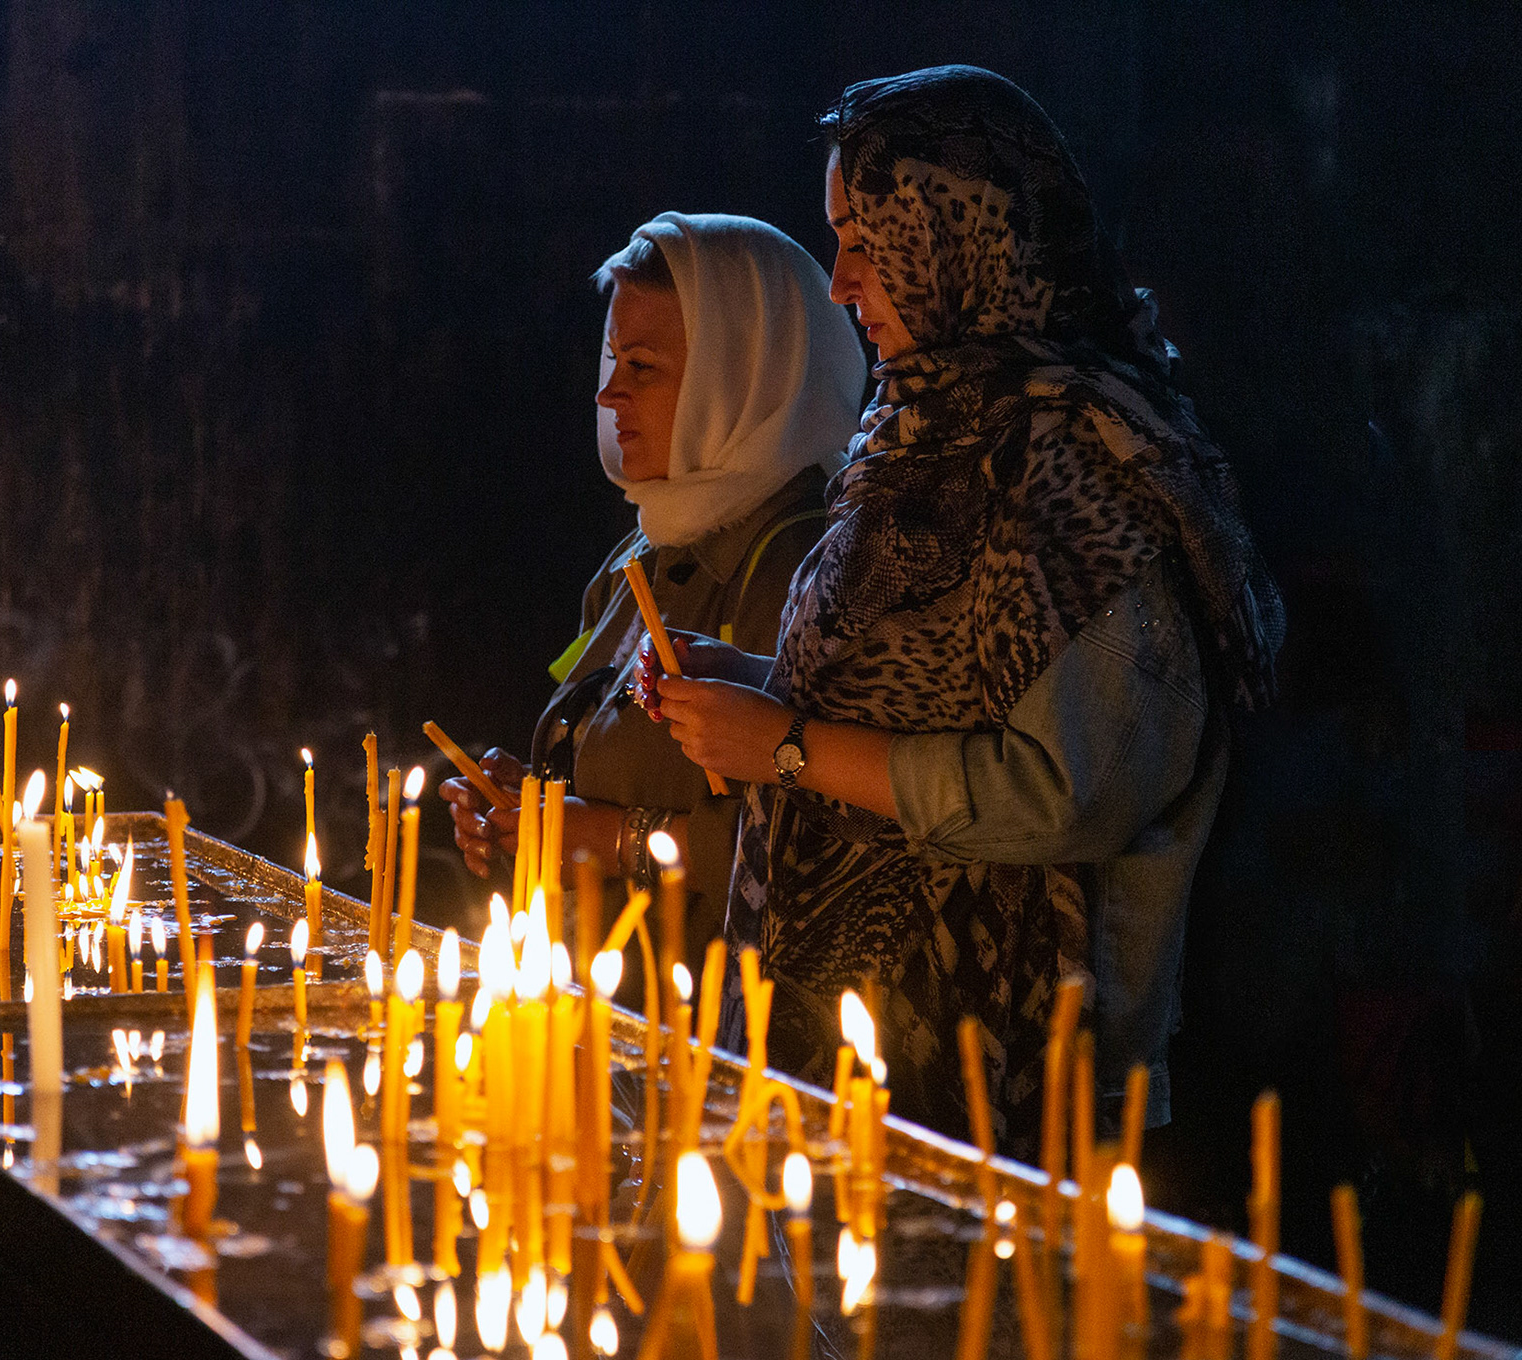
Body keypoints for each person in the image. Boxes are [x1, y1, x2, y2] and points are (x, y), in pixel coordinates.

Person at [640, 67, 1283, 1150]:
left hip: (1014, 1090)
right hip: (845, 1054)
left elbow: (1067, 791)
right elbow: (915, 689)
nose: (843, 283)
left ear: (958, 236)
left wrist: (789, 745)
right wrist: (755, 689)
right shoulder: (910, 435)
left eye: (865, 239)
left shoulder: (1085, 460)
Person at [439, 213, 867, 973]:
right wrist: (524, 813)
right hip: (605, 1014)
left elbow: (822, 838)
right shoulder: (642, 553)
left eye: (641, 366)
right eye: (610, 360)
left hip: (723, 1046)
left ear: (736, 376)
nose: (608, 395)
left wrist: (596, 836)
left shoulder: (808, 569)